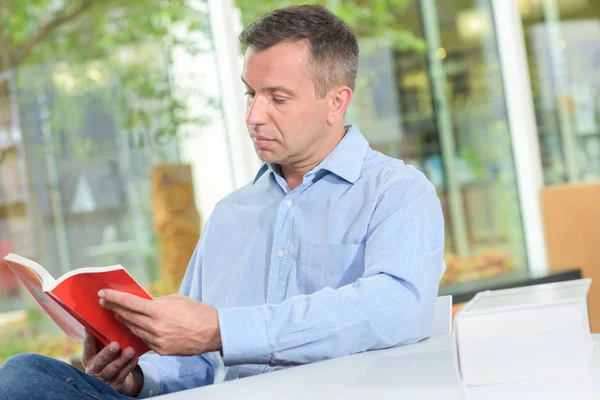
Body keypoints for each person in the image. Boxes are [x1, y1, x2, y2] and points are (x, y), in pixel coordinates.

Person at [0, 4, 444, 399]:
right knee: (25, 375)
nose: (253, 116)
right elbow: (191, 366)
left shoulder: (397, 192)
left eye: (278, 98)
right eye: (251, 93)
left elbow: (396, 309)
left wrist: (220, 329)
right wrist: (135, 379)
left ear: (336, 103)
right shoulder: (233, 213)